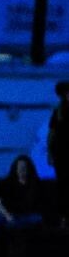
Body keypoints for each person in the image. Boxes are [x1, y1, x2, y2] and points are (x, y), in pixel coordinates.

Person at [0, 155, 43, 257]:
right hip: (6, 214)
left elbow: (40, 207)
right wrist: (7, 215)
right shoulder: (7, 182)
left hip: (25, 216)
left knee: (37, 218)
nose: (21, 170)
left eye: (24, 167)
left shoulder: (35, 184)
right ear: (15, 168)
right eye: (19, 167)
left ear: (29, 169)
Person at [49, 80, 69, 226]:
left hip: (61, 153)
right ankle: (64, 217)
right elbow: (52, 133)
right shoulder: (58, 112)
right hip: (61, 154)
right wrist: (50, 152)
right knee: (62, 185)